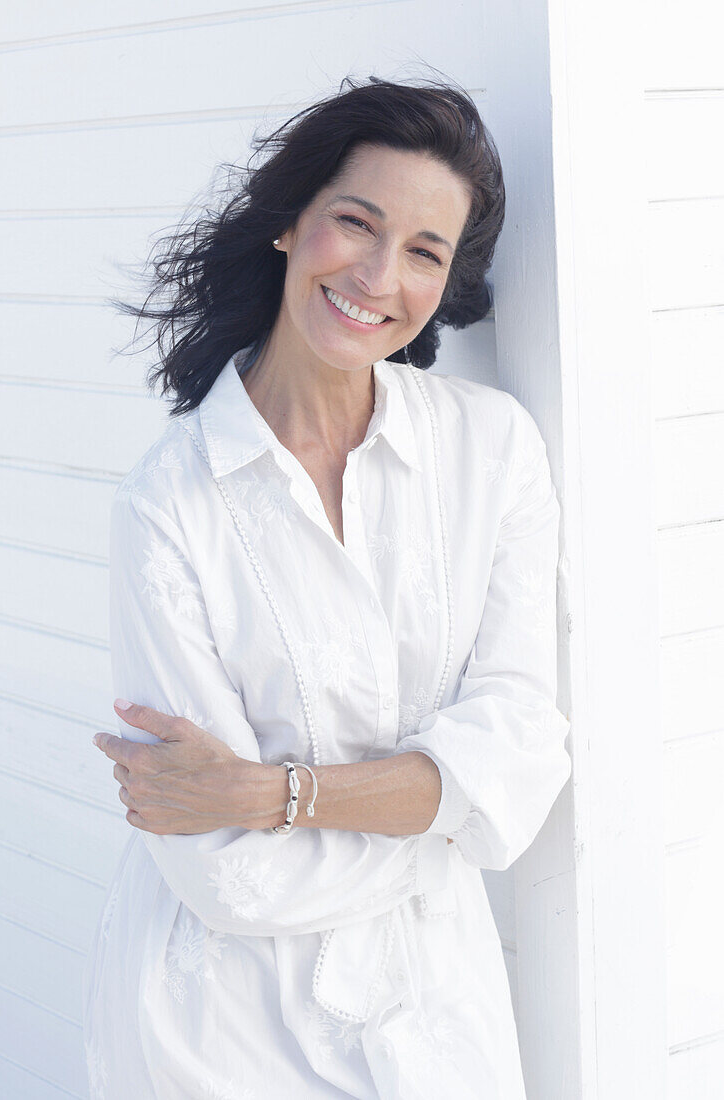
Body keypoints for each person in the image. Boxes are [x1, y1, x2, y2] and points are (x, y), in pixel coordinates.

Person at [83, 73, 572, 1099]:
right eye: (357, 222)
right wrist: (445, 810)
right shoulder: (167, 505)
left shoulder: (492, 452)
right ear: (290, 223)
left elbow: (523, 760)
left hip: (436, 1019)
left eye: (425, 252)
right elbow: (225, 869)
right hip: (221, 1036)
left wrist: (272, 792)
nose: (379, 275)